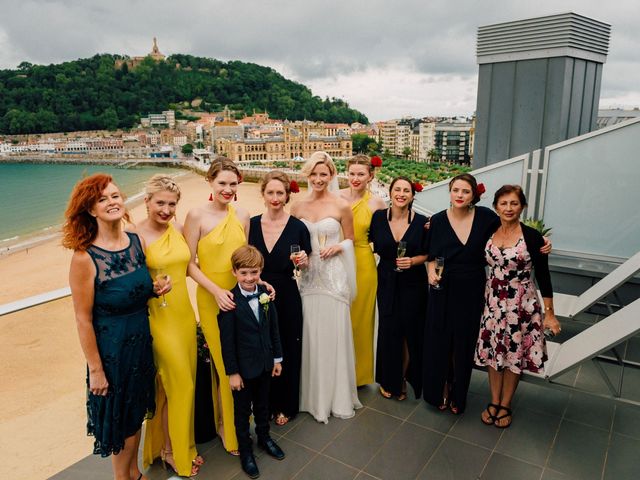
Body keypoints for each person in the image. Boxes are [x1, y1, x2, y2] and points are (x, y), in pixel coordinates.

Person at [64, 174, 167, 480]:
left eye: (115, 196)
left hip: (140, 345)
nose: (112, 202)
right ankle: (123, 477)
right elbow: (83, 319)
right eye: (102, 199)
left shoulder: (136, 242)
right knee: (120, 420)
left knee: (135, 415)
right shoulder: (84, 258)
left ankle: (134, 473)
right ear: (91, 210)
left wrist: (156, 288)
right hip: (111, 353)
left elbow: (135, 290)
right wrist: (96, 369)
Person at [423, 173, 551, 414]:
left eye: (466, 191)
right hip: (443, 286)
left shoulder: (485, 217)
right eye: (456, 190)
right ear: (450, 192)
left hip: (473, 289)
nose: (460, 195)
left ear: (474, 196)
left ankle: (458, 396)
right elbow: (431, 257)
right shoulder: (437, 221)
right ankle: (441, 389)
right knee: (440, 342)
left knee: (464, 344)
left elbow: (512, 229)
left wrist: (540, 240)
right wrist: (431, 273)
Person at [475, 185, 561, 428]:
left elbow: (544, 275)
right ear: (496, 207)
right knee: (494, 352)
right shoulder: (488, 230)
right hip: (492, 301)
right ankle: (493, 400)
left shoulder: (533, 237)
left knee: (514, 353)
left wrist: (550, 314)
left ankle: (505, 404)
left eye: (514, 203)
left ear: (522, 206)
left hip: (521, 304)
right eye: (503, 203)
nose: (508, 208)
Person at [135, 175, 202, 476]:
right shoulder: (135, 236)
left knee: (179, 386)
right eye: (159, 203)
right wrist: (151, 288)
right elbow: (131, 283)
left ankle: (180, 445)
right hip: (157, 319)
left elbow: (189, 266)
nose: (166, 209)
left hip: (184, 315)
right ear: (146, 201)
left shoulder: (177, 228)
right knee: (180, 386)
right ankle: (172, 452)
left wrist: (214, 288)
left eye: (171, 204)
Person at [183, 157, 250, 456]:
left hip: (238, 296)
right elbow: (188, 264)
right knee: (225, 364)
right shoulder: (196, 215)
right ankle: (228, 430)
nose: (227, 189)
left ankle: (236, 420)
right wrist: (215, 290)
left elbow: (244, 261)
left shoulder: (243, 214)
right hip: (211, 298)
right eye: (222, 183)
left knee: (241, 360)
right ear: (210, 182)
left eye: (233, 184)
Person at [291, 151, 362, 423]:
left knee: (333, 334)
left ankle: (335, 398)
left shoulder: (342, 205)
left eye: (324, 174)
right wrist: (296, 258)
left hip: (333, 277)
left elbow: (351, 240)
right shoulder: (297, 207)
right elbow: (294, 242)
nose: (318, 179)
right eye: (314, 174)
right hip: (309, 277)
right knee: (309, 334)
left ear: (332, 176)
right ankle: (308, 398)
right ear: (307, 175)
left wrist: (338, 246)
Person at [248, 171, 311, 426]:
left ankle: (286, 405)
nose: (275, 197)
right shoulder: (250, 224)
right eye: (270, 192)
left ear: (287, 195)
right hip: (258, 291)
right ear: (263, 194)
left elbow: (306, 264)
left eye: (280, 193)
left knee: (287, 347)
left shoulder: (298, 226)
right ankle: (263, 405)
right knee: (262, 348)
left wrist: (304, 261)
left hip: (287, 293)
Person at [218, 245, 286, 479]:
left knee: (263, 405)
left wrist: (277, 358)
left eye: (254, 273)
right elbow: (227, 343)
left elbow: (273, 329)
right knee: (241, 412)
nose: (249, 278)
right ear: (234, 272)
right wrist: (233, 373)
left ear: (261, 271)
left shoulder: (266, 295)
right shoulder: (229, 302)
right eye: (244, 273)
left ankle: (265, 438)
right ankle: (246, 451)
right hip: (243, 370)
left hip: (266, 363)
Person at [369, 177, 428, 400]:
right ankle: (388, 379)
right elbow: (366, 243)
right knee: (388, 330)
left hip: (414, 282)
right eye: (397, 190)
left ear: (412, 195)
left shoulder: (422, 221)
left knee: (409, 332)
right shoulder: (377, 218)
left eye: (406, 190)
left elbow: (428, 253)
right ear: (390, 193)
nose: (401, 194)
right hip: (385, 280)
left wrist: (413, 261)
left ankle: (403, 379)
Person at [339, 155, 386, 386]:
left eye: (360, 174)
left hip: (363, 263)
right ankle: (337, 371)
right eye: (352, 173)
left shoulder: (377, 203)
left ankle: (359, 376)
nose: (355, 178)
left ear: (370, 176)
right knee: (338, 318)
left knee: (360, 320)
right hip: (336, 261)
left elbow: (389, 233)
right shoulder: (335, 198)